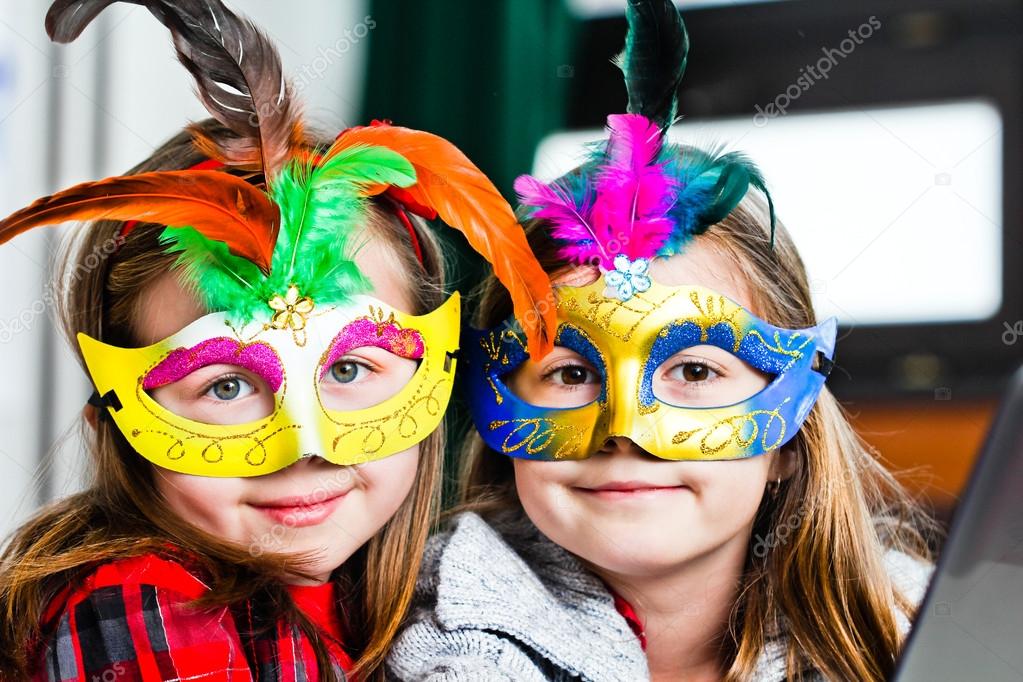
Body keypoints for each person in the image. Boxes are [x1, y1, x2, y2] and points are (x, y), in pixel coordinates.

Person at [0, 1, 553, 680]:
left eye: (349, 369)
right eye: (226, 386)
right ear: (111, 422)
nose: (307, 449)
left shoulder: (418, 606)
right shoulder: (144, 605)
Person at [387, 1, 936, 680]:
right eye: (567, 373)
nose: (623, 429)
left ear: (790, 438)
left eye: (696, 371)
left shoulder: (919, 630)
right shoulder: (429, 652)